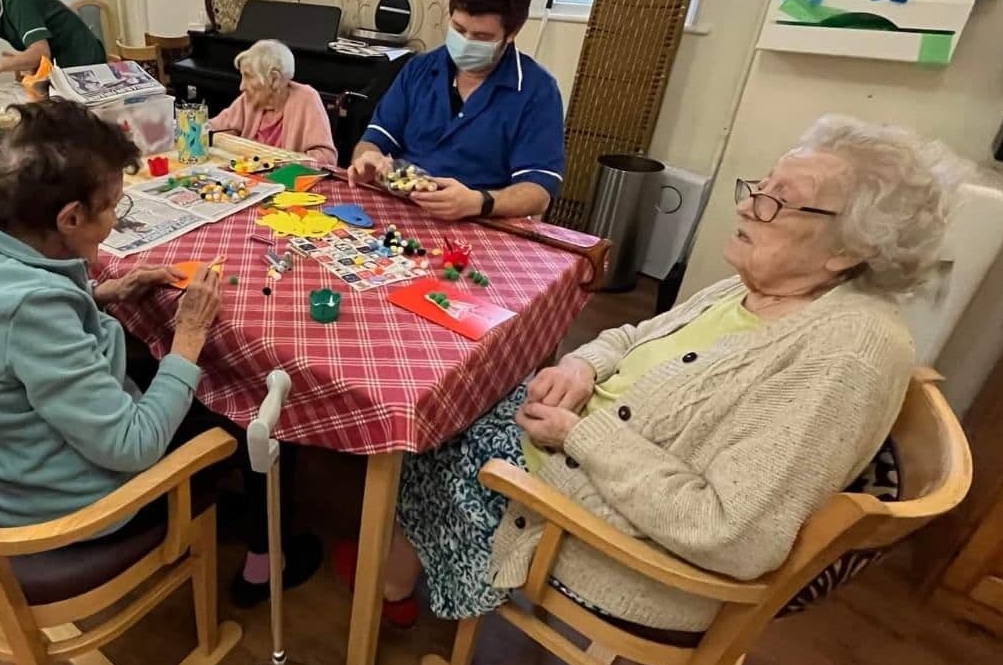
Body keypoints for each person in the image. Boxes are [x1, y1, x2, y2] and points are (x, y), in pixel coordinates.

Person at [338, 116, 955, 635]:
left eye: (777, 202)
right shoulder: (764, 287)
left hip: (626, 545)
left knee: (437, 433)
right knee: (464, 395)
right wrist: (584, 364)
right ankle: (404, 558)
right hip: (588, 448)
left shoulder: (845, 355)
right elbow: (637, 336)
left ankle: (394, 581)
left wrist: (578, 436)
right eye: (758, 186)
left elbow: (731, 534)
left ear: (847, 249)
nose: (746, 205)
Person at [0, 98, 320, 603]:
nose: (116, 219)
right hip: (76, 507)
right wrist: (188, 336)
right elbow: (133, 444)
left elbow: (11, 334)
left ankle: (232, 506)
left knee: (152, 355)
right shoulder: (33, 311)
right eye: (113, 206)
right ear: (71, 218)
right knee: (257, 404)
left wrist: (101, 293)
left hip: (9, 463)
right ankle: (266, 561)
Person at [347, 0, 564, 221]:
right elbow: (372, 141)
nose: (466, 42)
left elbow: (538, 191)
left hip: (482, 223)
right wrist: (368, 159)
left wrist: (478, 202)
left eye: (482, 37)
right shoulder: (420, 69)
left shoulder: (537, 91)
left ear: (513, 32)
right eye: (458, 29)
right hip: (401, 213)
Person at [210, 39, 337, 165]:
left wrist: (290, 161)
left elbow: (327, 158)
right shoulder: (248, 100)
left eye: (248, 76)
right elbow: (209, 128)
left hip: (285, 181)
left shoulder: (306, 99)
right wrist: (228, 138)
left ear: (274, 79)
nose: (242, 86)